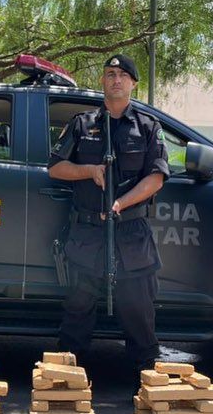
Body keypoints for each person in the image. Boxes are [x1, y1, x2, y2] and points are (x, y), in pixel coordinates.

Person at [48, 54, 169, 378]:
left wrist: (122, 202)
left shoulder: (147, 127)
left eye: (122, 75)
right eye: (110, 74)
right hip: (87, 234)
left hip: (130, 234)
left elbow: (156, 177)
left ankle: (147, 392)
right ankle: (64, 387)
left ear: (132, 83)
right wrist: (88, 170)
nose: (115, 79)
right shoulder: (82, 123)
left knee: (139, 314)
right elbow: (56, 167)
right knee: (76, 313)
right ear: (102, 81)